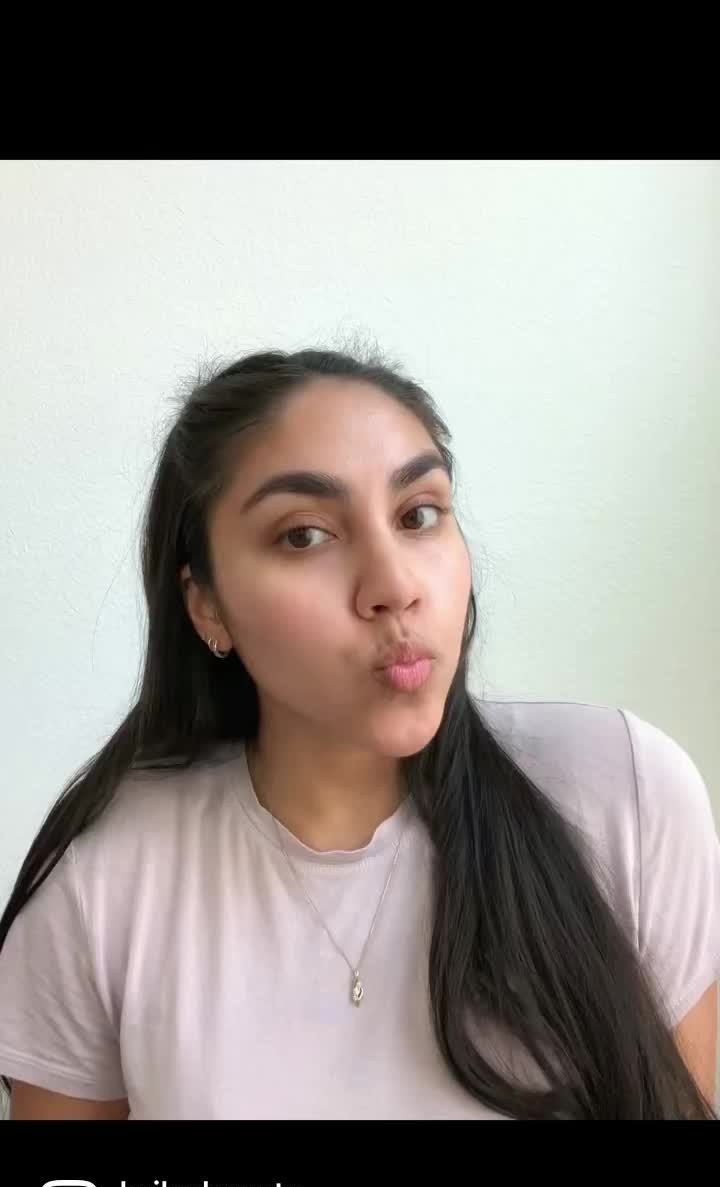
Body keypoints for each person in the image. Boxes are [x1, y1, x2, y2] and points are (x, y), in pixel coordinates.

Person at [0, 343, 718, 1121]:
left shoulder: (627, 798)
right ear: (207, 604)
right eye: (304, 535)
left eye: (418, 516)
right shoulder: (105, 881)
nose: (395, 586)